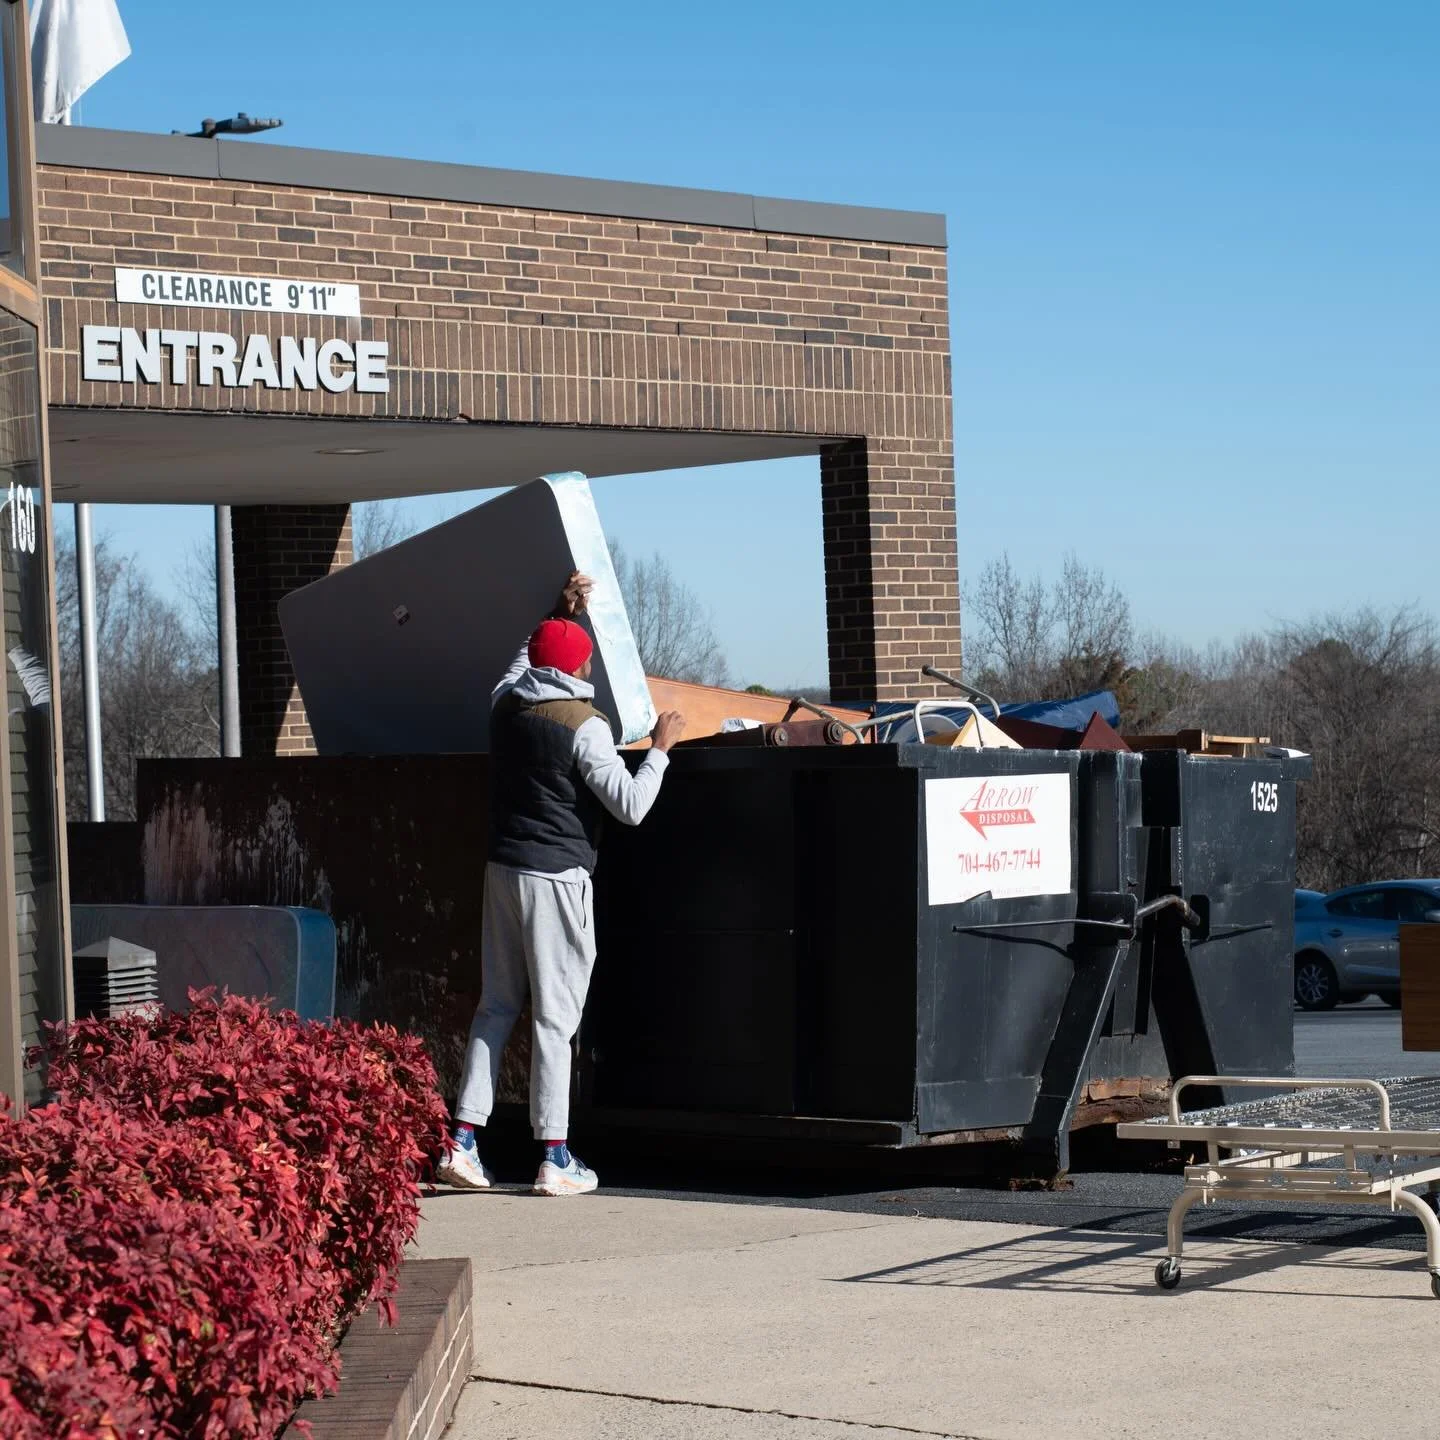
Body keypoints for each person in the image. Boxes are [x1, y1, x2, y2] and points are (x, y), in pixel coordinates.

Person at [437, 571, 685, 1196]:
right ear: (580, 667)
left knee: (496, 1006)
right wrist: (660, 748)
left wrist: (557, 609)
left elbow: (522, 658)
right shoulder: (586, 726)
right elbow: (629, 805)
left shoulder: (504, 705)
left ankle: (462, 1142)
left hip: (502, 872)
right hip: (557, 880)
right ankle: (555, 1155)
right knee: (555, 1020)